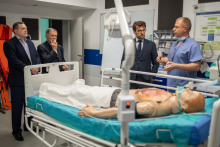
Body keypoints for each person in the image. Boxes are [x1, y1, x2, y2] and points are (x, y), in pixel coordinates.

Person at [38, 79, 205, 119]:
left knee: (72, 93)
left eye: (190, 93)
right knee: (80, 89)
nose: (188, 89)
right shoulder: (169, 97)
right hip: (114, 92)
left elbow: (122, 110)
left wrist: (93, 113)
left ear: (183, 104)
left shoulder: (153, 107)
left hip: (106, 99)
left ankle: (44, 89)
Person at [3, 22, 41, 141]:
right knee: (17, 108)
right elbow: (13, 61)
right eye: (23, 28)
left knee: (29, 105)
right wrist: (30, 69)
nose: (26, 30)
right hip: (18, 81)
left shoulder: (30, 42)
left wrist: (37, 67)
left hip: (31, 80)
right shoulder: (9, 44)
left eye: (26, 28)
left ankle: (28, 126)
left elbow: (36, 56)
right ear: (15, 31)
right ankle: (16, 131)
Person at [156, 17, 203, 93]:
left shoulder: (193, 45)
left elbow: (197, 66)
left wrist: (176, 66)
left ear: (185, 29)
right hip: (171, 85)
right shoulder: (175, 44)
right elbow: (171, 60)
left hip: (185, 88)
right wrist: (162, 59)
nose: (173, 29)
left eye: (176, 27)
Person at [121, 21, 159, 89]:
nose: (142, 32)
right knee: (131, 98)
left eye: (143, 30)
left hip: (146, 79)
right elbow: (123, 60)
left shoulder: (151, 44)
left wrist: (152, 77)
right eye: (139, 30)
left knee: (144, 99)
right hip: (131, 78)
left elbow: (156, 63)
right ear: (134, 32)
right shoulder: (128, 44)